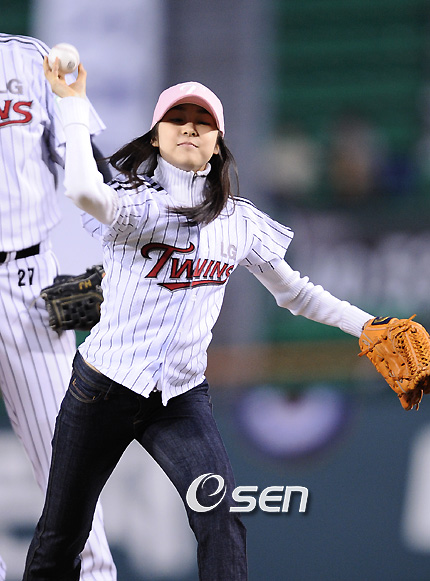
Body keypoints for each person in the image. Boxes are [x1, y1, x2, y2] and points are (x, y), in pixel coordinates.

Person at [23, 56, 375, 581]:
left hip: (180, 398)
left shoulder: (240, 223)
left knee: (221, 518)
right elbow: (81, 191)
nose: (189, 127)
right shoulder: (136, 206)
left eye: (203, 121)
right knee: (61, 537)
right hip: (102, 389)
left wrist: (369, 327)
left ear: (218, 143)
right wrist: (73, 106)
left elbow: (296, 294)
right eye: (177, 118)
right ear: (156, 136)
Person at [0, 34, 117, 580]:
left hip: (25, 283)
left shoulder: (28, 59)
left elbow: (90, 168)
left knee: (68, 471)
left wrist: (126, 257)